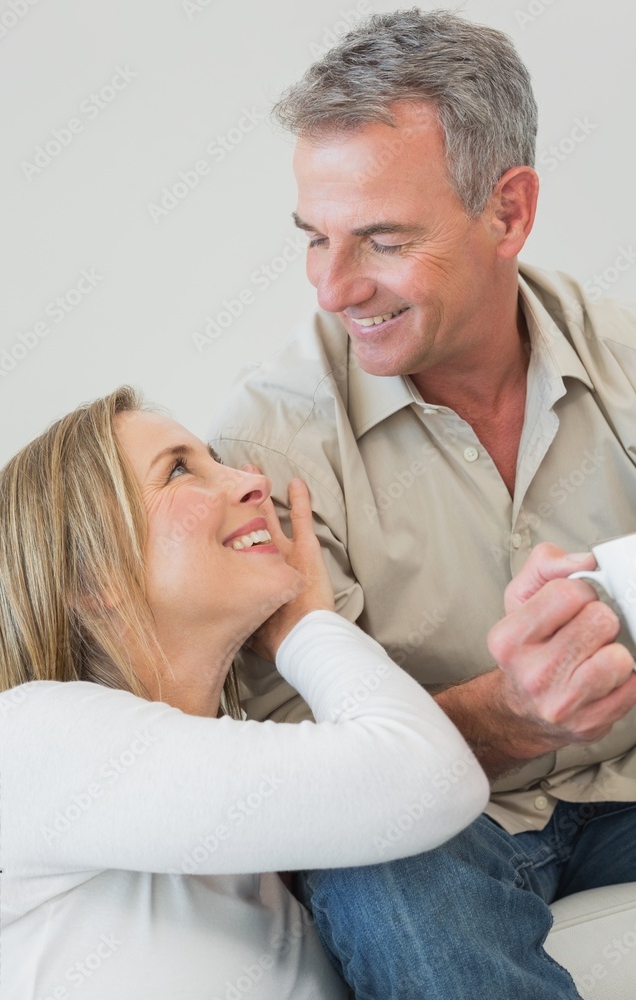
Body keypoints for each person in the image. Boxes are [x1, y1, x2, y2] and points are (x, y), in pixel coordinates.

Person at [207, 8, 636, 998]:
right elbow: (306, 775)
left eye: (382, 240)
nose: (334, 287)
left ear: (508, 212)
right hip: (438, 820)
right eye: (315, 238)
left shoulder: (622, 360)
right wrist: (516, 713)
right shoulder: (264, 447)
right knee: (380, 876)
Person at [0, 385, 491, 998]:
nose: (252, 481)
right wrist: (308, 627)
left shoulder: (265, 865)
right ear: (93, 578)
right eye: (180, 469)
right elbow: (430, 778)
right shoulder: (20, 742)